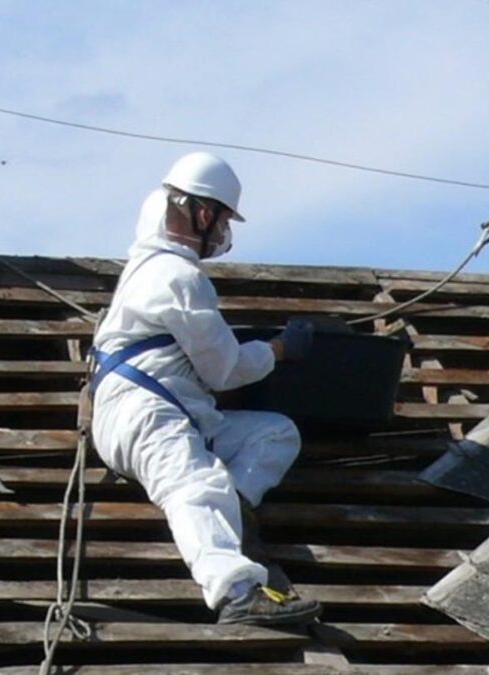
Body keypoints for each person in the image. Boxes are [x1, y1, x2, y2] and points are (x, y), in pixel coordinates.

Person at [90, 152, 322, 626]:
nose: (221, 234)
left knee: (274, 433)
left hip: (175, 412)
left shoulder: (151, 268)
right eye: (220, 221)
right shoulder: (177, 276)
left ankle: (232, 510)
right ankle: (236, 593)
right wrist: (278, 349)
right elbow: (224, 370)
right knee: (197, 485)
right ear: (202, 213)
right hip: (147, 415)